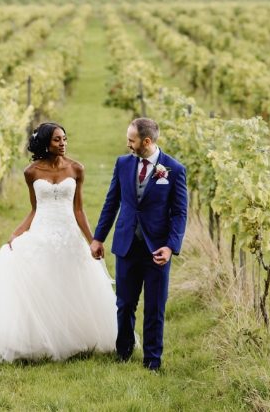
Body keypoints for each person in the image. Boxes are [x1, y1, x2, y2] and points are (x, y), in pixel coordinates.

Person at [0, 122, 117, 362]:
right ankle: (41, 341)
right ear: (46, 143)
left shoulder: (77, 169)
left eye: (64, 139)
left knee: (72, 284)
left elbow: (79, 210)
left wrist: (93, 241)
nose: (63, 144)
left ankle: (75, 340)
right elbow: (35, 209)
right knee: (43, 284)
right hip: (43, 232)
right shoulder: (31, 172)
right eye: (57, 140)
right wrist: (17, 232)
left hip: (69, 234)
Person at [91, 118, 188, 373]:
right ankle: (123, 353)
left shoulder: (174, 170)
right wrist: (98, 237)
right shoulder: (123, 163)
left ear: (146, 141)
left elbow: (179, 213)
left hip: (157, 249)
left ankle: (152, 362)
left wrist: (170, 246)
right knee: (124, 303)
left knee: (155, 307)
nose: (127, 144)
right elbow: (111, 202)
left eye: (131, 140)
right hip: (126, 244)